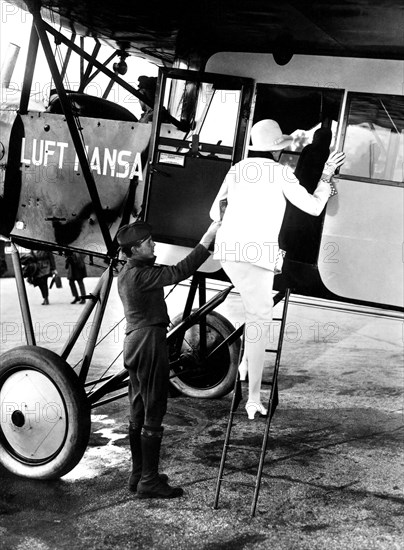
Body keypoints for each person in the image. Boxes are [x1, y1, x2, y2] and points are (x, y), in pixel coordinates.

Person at [210, 119, 345, 420]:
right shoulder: (282, 172)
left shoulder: (238, 169)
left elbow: (213, 210)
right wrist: (326, 177)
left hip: (228, 252)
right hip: (257, 255)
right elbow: (313, 207)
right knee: (259, 321)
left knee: (253, 311)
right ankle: (253, 399)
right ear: (277, 150)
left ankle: (245, 368)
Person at [116, 219, 220, 499]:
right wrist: (208, 238)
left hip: (135, 342)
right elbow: (180, 271)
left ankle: (138, 474)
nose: (154, 244)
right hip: (149, 342)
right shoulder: (140, 275)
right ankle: (148, 480)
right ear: (135, 249)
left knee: (138, 408)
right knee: (154, 408)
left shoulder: (127, 273)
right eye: (148, 242)